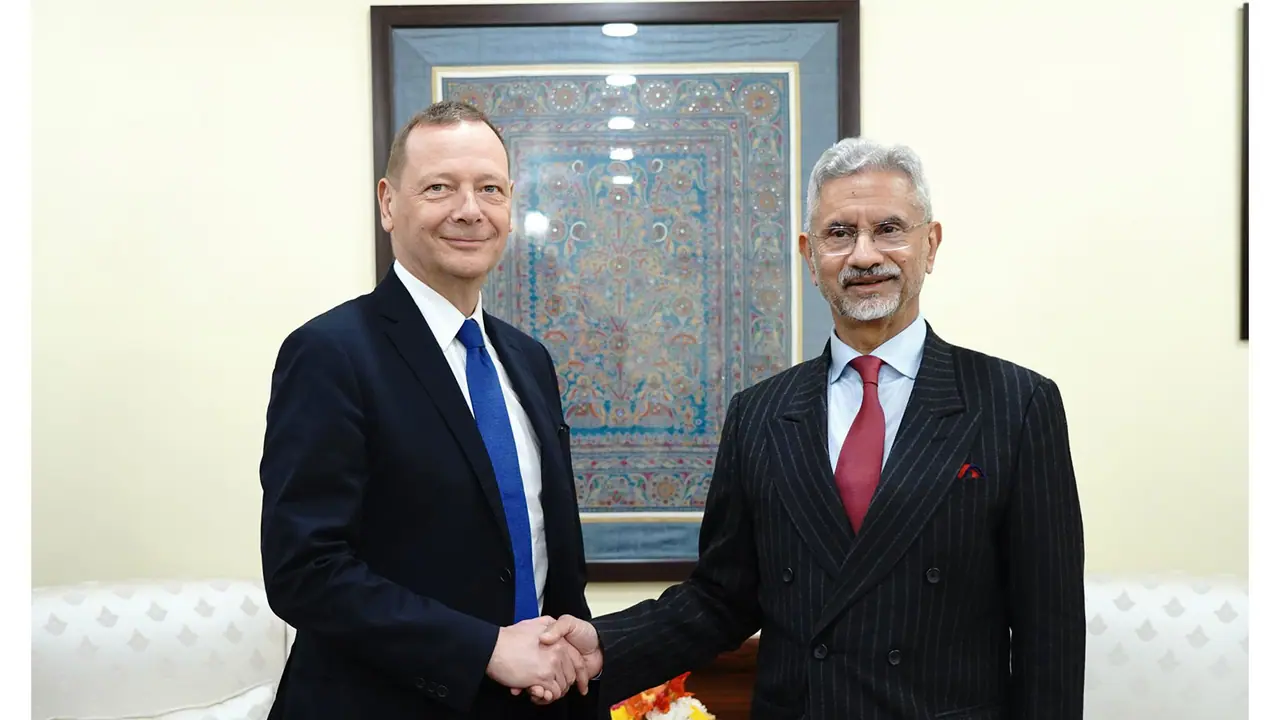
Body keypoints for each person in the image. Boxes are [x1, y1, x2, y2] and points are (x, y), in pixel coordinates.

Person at [536, 137, 1087, 719]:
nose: (864, 255)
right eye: (839, 233)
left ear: (930, 244)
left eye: (889, 229)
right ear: (809, 253)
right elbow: (722, 599)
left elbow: (1048, 631)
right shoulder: (758, 415)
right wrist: (603, 645)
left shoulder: (1016, 404)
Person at [258, 101, 600, 719]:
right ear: (389, 203)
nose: (470, 209)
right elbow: (304, 570)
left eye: (489, 189)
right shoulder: (330, 353)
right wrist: (483, 648)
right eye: (440, 187)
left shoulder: (529, 360)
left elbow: (549, 558)